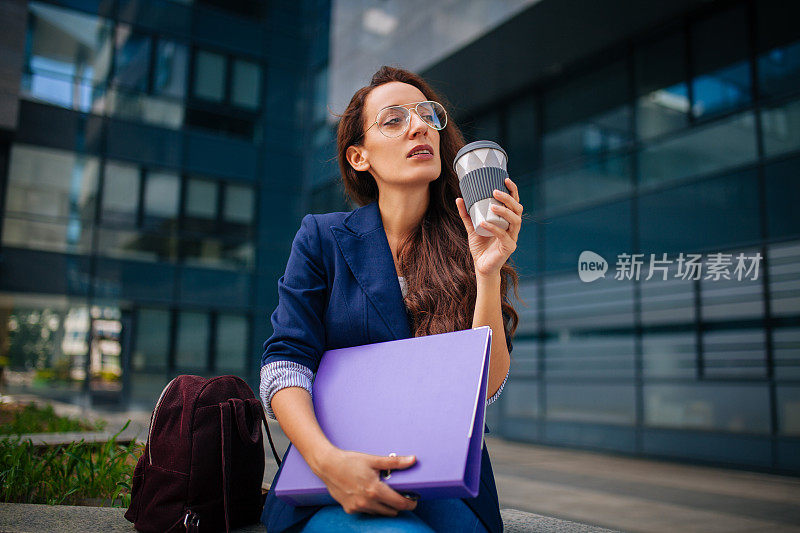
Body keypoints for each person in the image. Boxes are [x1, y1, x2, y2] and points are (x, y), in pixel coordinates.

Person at [259, 65, 523, 533]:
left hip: (445, 478)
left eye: (427, 115)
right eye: (394, 119)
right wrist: (327, 461)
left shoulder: (470, 242)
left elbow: (482, 389)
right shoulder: (322, 238)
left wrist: (487, 272)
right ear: (360, 157)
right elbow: (285, 363)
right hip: (333, 468)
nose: (419, 125)